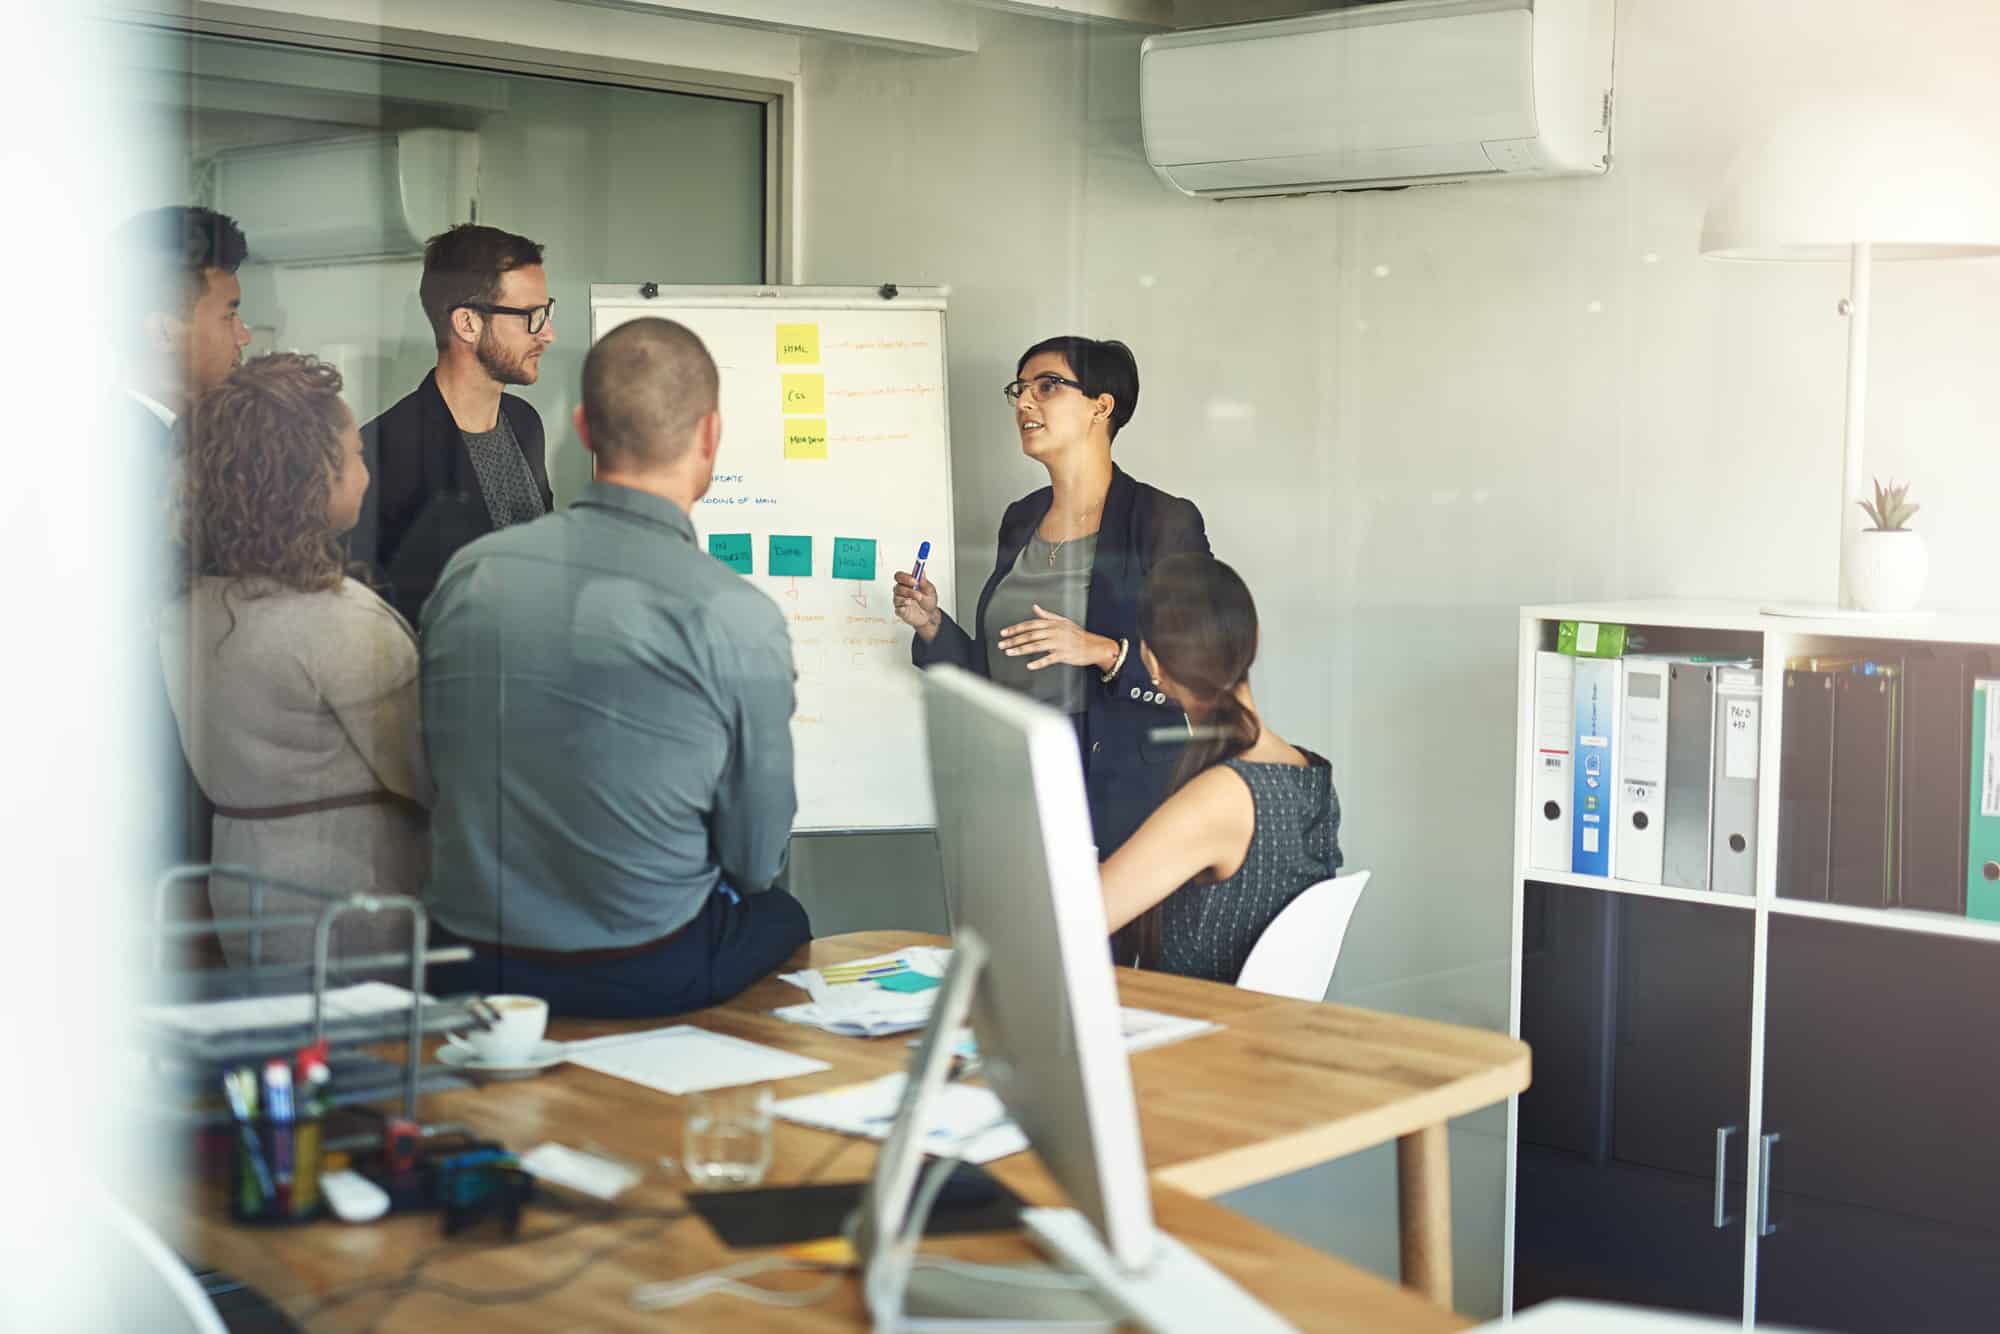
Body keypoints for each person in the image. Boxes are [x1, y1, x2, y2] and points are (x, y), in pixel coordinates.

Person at [420, 317, 809, 1019]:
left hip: (463, 957)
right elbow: (754, 863)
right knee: (785, 916)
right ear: (710, 435)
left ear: (584, 428)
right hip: (642, 967)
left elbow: (442, 770)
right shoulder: (734, 614)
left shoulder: (473, 573)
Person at [160, 353, 433, 969]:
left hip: (236, 881)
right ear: (313, 475)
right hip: (350, 894)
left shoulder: (182, 608)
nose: (366, 472)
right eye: (356, 455)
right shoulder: (342, 619)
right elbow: (424, 776)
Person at [894, 335, 1210, 857]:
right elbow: (1000, 672)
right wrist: (932, 625)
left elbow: (1202, 668)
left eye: (1048, 386)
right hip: (1013, 789)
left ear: (1101, 407)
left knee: (1107, 941)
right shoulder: (1020, 519)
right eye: (1019, 389)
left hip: (1116, 800)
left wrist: (1104, 651)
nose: (1024, 402)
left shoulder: (1161, 520)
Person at [1097, 554, 1343, 983]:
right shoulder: (1313, 777)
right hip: (1263, 1035)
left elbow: (1074, 923)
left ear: (1152, 663)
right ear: (1255, 640)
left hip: (1197, 1037)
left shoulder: (1223, 796)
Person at [351, 223, 556, 625]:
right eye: (531, 316)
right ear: (467, 324)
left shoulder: (525, 423)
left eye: (547, 312)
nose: (548, 333)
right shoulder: (383, 451)